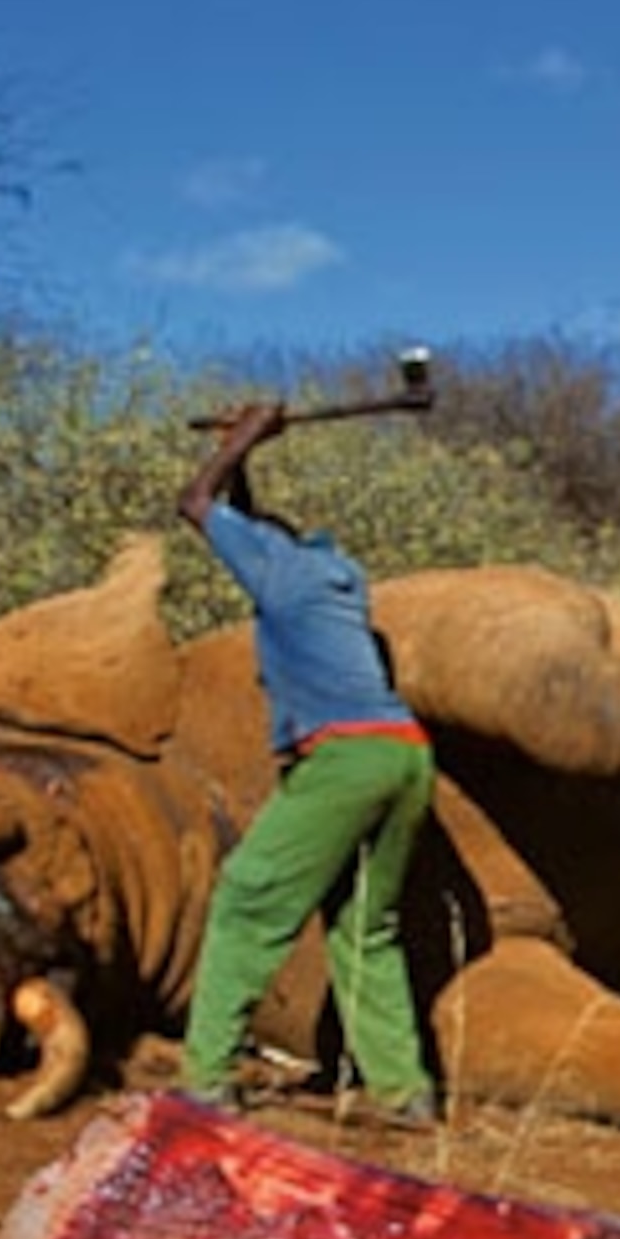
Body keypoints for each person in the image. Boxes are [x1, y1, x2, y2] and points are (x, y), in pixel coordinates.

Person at [176, 401, 440, 1129]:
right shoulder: (332, 574)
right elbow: (247, 524)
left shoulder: (279, 575)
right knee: (365, 928)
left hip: (345, 758)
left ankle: (203, 1078)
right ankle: (403, 1093)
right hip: (406, 756)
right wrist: (248, 460)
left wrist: (243, 437)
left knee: (246, 896)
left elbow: (193, 502)